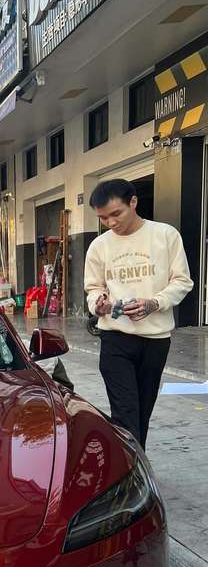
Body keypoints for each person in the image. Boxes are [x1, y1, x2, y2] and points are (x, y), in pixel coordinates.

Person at [84, 178, 193, 449]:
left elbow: (182, 281)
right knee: (125, 414)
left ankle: (135, 462)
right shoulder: (99, 246)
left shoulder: (165, 235)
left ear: (133, 202)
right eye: (103, 218)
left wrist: (154, 303)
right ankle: (130, 467)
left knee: (142, 412)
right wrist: (98, 303)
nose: (110, 222)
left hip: (155, 340)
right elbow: (93, 288)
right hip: (115, 339)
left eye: (116, 213)